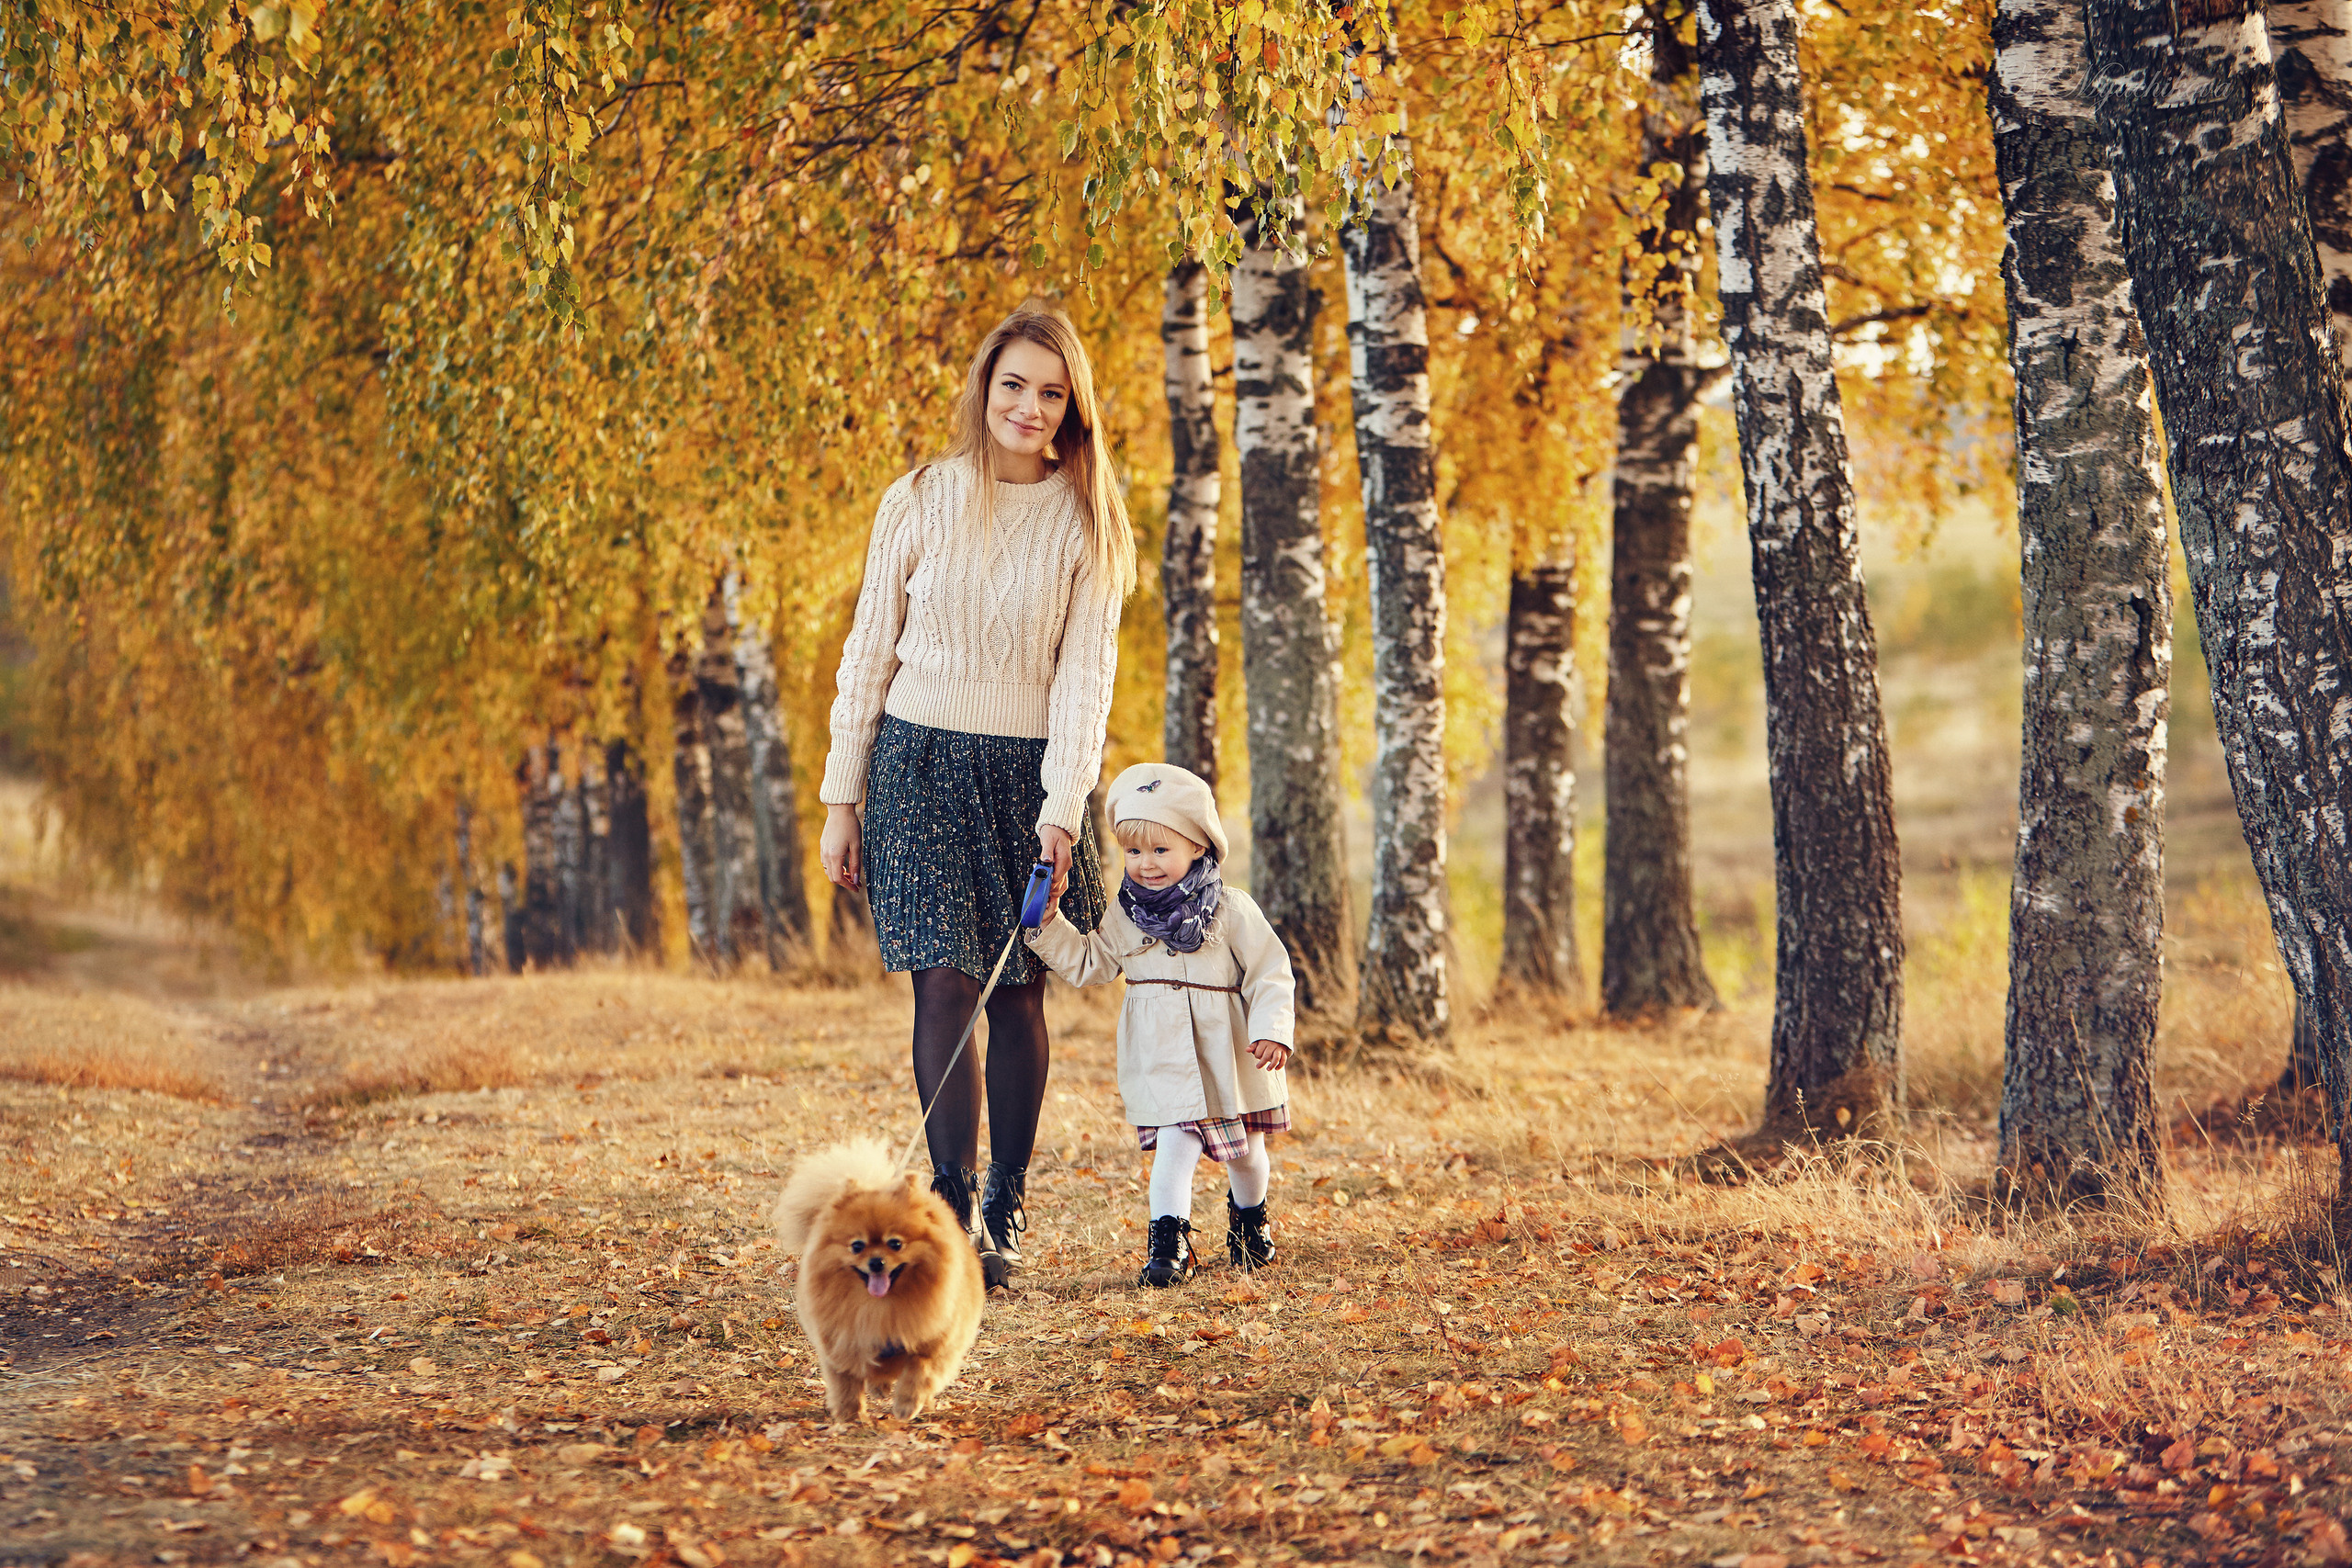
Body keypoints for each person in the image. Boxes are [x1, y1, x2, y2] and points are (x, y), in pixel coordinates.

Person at [817, 304, 1136, 1290]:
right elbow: (869, 650)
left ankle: (1007, 1203)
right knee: (943, 983)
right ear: (983, 389)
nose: (1029, 407)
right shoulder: (916, 499)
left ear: (1071, 408)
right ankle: (949, 1220)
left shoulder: (1089, 524)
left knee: (1018, 988)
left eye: (1051, 393)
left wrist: (1061, 806)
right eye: (1014, 386)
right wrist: (841, 796)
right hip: (914, 766)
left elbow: (1086, 679)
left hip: (1031, 778)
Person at [1025, 762, 1295, 1286]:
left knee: (1247, 1156)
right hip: (1164, 1053)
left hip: (1231, 1056)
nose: (1146, 865)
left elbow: (1270, 971)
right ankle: (1168, 1245)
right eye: (1133, 852)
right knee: (1175, 1145)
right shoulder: (1125, 915)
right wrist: (1048, 923)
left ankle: (1249, 1222)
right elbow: (1090, 962)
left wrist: (1272, 1030)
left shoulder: (1231, 910)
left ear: (1198, 846)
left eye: (1160, 850)